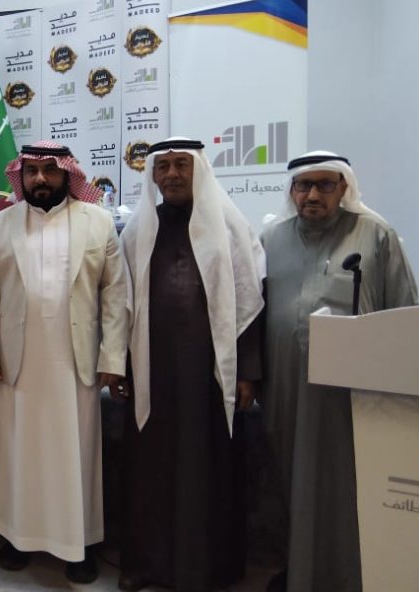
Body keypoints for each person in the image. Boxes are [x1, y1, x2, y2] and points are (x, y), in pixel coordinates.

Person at [262, 151, 418, 592]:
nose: (312, 195)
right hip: (286, 386)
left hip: (351, 392)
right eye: (303, 185)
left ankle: (348, 574)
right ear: (292, 190)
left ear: (344, 188)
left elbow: (403, 312)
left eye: (325, 185)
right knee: (288, 477)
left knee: (344, 481)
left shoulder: (375, 234)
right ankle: (299, 569)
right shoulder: (271, 238)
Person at [0, 140, 128, 583]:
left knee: (74, 456)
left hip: (75, 363)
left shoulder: (98, 222)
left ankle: (78, 543)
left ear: (66, 173)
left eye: (50, 170)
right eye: (32, 171)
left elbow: (116, 296)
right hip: (15, 363)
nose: (40, 178)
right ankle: (17, 537)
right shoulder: (0, 225)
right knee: (18, 452)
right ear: (20, 176)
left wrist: (113, 357)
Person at [118, 137, 265, 591]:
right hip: (152, 370)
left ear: (198, 169)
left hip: (209, 372)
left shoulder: (230, 226)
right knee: (150, 469)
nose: (172, 174)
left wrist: (248, 372)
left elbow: (250, 303)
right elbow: (120, 306)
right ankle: (146, 564)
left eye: (181, 165)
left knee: (205, 467)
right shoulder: (137, 231)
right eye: (163, 167)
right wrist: (120, 366)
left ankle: (204, 569)